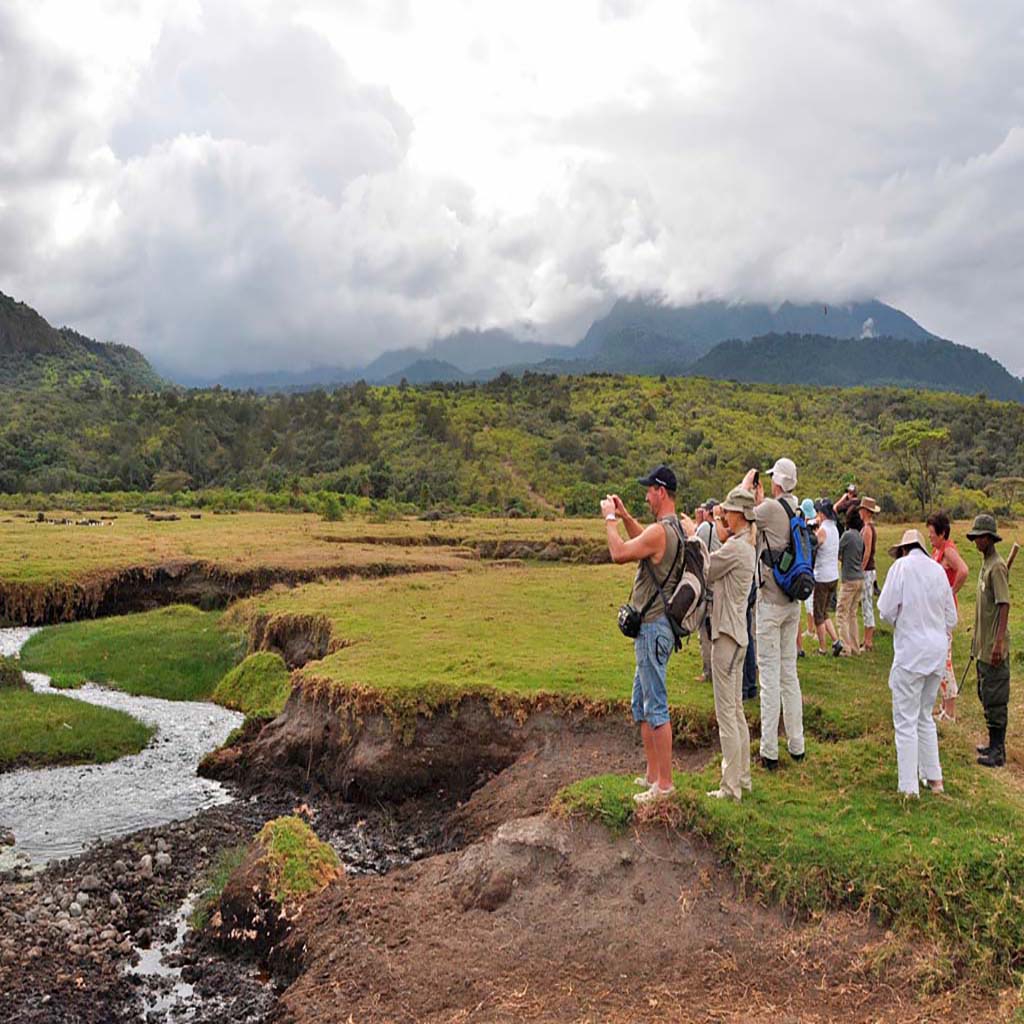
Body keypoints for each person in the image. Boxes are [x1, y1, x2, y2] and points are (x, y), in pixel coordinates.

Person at [603, 465, 683, 802]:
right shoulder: (672, 528)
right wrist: (625, 516)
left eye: (649, 490)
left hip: (651, 627)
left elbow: (621, 552)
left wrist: (609, 520)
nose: (647, 496)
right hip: (657, 627)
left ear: (661, 491)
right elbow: (644, 541)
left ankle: (664, 785)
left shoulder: (660, 531)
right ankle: (652, 775)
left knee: (656, 705)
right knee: (642, 702)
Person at [681, 487, 756, 800]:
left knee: (727, 713)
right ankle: (743, 777)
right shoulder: (744, 545)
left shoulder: (735, 549)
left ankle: (731, 786)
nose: (722, 515)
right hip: (739, 634)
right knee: (736, 711)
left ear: (737, 515)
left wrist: (693, 536)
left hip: (725, 635)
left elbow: (706, 569)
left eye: (727, 511)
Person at [877, 530, 957, 797]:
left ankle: (909, 788)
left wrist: (906, 620)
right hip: (935, 654)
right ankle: (935, 779)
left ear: (903, 549)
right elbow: (952, 618)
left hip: (911, 654)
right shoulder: (937, 570)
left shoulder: (900, 568)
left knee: (905, 721)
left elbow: (886, 610)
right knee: (925, 716)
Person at [741, 459, 805, 770]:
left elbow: (739, 511)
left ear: (777, 482)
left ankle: (769, 751)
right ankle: (797, 744)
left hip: (769, 601)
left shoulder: (768, 509)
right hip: (793, 602)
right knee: (789, 675)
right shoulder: (799, 510)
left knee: (769, 678)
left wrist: (747, 484)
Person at [966, 515, 1011, 768]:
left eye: (979, 537)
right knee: (985, 692)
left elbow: (1004, 605)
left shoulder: (997, 566)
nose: (976, 541)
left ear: (989, 538)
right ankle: (992, 742)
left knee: (996, 697)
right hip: (982, 643)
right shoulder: (985, 564)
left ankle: (998, 750)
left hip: (993, 644)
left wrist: (998, 642)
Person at [926, 511, 969, 723]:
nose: (930, 537)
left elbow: (963, 570)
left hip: (944, 612)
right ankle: (944, 706)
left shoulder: (949, 550)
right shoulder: (939, 549)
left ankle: (950, 711)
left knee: (945, 659)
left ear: (942, 533)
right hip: (938, 611)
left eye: (933, 533)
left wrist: (952, 591)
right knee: (940, 657)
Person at [694, 499, 721, 683]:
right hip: (721, 587)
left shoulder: (704, 527)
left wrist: (697, 523)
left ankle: (708, 672)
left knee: (705, 632)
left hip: (707, 587)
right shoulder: (723, 529)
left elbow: (694, 546)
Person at [813, 499, 842, 656]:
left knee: (818, 614)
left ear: (822, 514)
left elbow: (815, 544)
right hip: (833, 575)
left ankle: (822, 648)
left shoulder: (823, 530)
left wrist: (813, 533)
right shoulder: (835, 529)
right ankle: (836, 641)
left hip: (822, 577)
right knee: (824, 612)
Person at [836, 508, 865, 655]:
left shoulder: (847, 536)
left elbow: (838, 552)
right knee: (852, 614)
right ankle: (855, 646)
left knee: (842, 613)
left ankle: (845, 647)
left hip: (849, 580)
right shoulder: (860, 537)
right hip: (860, 578)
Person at [858, 497, 881, 651]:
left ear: (865, 511)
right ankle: (866, 639)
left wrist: (861, 569)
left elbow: (866, 552)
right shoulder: (870, 527)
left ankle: (868, 641)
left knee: (866, 604)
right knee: (866, 603)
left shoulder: (867, 529)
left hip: (867, 570)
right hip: (870, 569)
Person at [800, 498, 818, 645]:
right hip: (813, 568)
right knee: (808, 602)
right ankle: (811, 629)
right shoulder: (816, 526)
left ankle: (815, 630)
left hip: (811, 569)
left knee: (810, 602)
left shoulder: (808, 530)